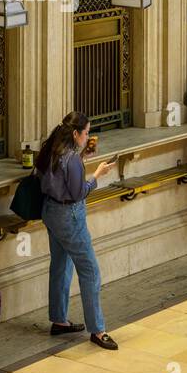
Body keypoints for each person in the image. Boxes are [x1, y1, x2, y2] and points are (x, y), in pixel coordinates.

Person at [36, 112, 118, 350]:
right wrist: (97, 175)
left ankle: (59, 320)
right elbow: (78, 192)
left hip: (51, 212)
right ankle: (98, 330)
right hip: (70, 217)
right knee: (90, 270)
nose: (88, 136)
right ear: (75, 134)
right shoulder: (71, 159)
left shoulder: (52, 150)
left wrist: (82, 158)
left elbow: (60, 178)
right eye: (86, 132)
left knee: (61, 264)